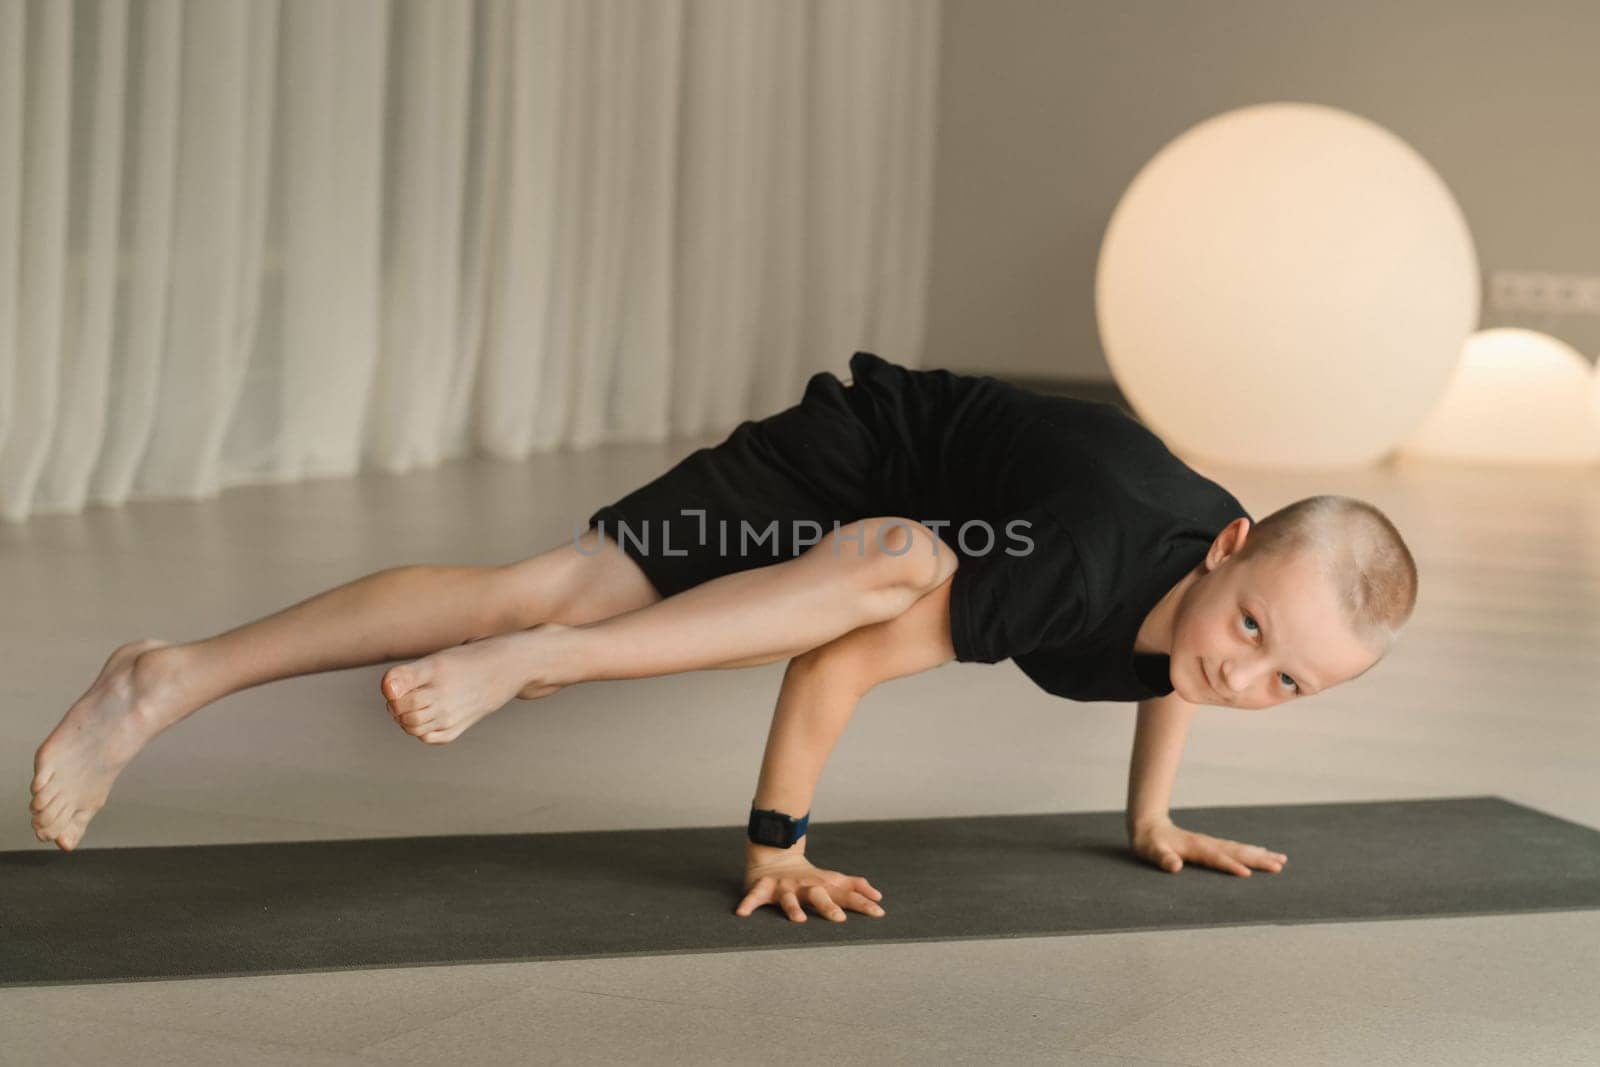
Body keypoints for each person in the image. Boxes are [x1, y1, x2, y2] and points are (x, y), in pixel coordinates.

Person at [28, 352, 1415, 927]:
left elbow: (1167, 666)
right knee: (556, 597)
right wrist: (775, 843)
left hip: (959, 514)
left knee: (900, 558)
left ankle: (176, 675)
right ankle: (177, 676)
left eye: (1285, 680)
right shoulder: (1073, 567)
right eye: (1250, 631)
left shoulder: (1218, 599)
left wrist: (1157, 814)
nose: (1242, 674)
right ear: (1229, 551)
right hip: (852, 461)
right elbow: (840, 659)